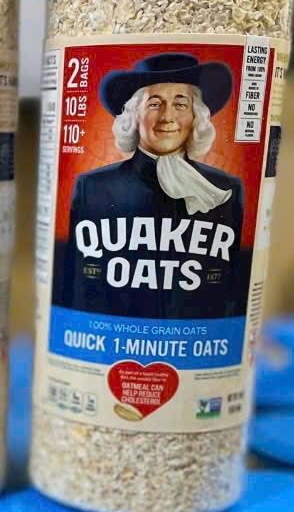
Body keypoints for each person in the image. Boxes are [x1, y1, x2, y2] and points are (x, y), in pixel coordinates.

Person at [54, 52, 246, 320]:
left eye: (181, 104)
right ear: (134, 116)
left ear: (196, 117)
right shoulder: (94, 187)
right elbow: (77, 285)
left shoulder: (224, 190)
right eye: (155, 104)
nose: (167, 117)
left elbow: (230, 292)